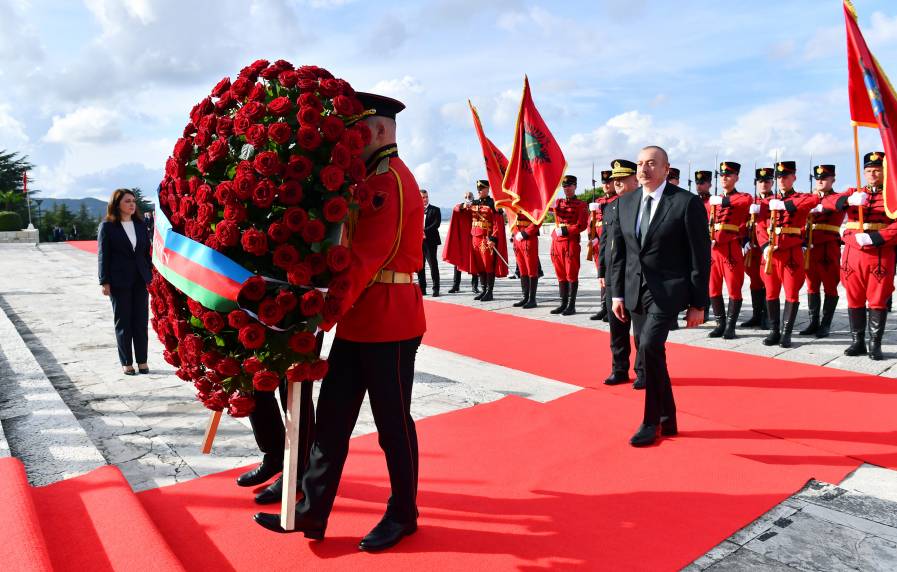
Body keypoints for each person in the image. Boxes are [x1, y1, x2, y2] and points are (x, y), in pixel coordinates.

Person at [255, 92, 426, 551]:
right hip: (360, 320)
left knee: (393, 426)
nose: (352, 140)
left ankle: (403, 513)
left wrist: (324, 314)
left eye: (358, 131)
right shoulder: (370, 177)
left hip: (389, 320)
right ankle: (310, 508)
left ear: (380, 131)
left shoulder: (389, 181)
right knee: (331, 423)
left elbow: (369, 256)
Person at [608, 146, 711, 446]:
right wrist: (616, 294)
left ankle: (651, 421)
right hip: (634, 290)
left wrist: (698, 303)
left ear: (666, 168)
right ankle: (669, 418)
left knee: (650, 346)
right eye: (640, 164)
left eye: (652, 163)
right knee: (650, 350)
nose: (644, 169)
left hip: (668, 291)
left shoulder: (685, 203)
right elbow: (621, 254)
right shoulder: (624, 203)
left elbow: (700, 256)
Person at [823, 151, 892, 360]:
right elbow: (828, 201)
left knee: (878, 299)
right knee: (854, 297)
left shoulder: (893, 195)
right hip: (853, 253)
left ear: (884, 172)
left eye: (876, 170)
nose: (872, 174)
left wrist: (877, 237)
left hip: (880, 252)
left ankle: (875, 344)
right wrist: (847, 200)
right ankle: (857, 341)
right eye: (868, 171)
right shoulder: (854, 191)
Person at [754, 161, 819, 348]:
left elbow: (813, 201)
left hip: (791, 252)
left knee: (791, 293)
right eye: (779, 177)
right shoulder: (767, 202)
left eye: (786, 176)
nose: (782, 180)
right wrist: (765, 245)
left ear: (794, 178)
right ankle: (774, 331)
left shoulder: (801, 197)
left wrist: (785, 205)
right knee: (771, 293)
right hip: (771, 253)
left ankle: (787, 333)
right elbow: (760, 225)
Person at [97, 188, 152, 375]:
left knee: (140, 321)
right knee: (123, 322)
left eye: (133, 201)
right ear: (117, 204)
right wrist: (104, 281)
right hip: (119, 281)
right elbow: (103, 256)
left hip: (140, 279)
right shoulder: (107, 227)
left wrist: (150, 274)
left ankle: (142, 361)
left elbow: (146, 253)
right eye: (127, 201)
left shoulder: (140, 225)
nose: (132, 204)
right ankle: (127, 362)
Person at [600, 159, 645, 389]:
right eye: (614, 179)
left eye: (622, 178)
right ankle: (619, 369)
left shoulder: (642, 204)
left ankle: (642, 371)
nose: (616, 182)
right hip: (612, 277)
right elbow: (604, 243)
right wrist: (601, 271)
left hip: (635, 276)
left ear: (634, 179)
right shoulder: (611, 206)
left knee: (639, 331)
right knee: (616, 329)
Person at [706, 162, 752, 339]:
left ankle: (731, 327)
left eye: (729, 175)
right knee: (713, 288)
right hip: (714, 248)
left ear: (736, 177)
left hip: (731, 247)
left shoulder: (742, 197)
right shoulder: (712, 201)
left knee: (734, 287)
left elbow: (744, 202)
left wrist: (723, 201)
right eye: (722, 175)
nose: (724, 178)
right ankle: (720, 324)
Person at [800, 165, 843, 338]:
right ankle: (813, 322)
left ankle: (825, 324)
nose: (820, 180)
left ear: (833, 179)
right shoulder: (809, 198)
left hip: (828, 247)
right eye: (817, 178)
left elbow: (836, 206)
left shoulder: (837, 198)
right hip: (810, 246)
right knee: (811, 285)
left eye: (824, 178)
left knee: (830, 285)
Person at [740, 168, 774, 329]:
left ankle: (768, 317)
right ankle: (756, 315)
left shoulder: (776, 200)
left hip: (768, 246)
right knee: (754, 281)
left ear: (772, 183)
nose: (763, 184)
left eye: (767, 181)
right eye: (760, 181)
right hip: (752, 247)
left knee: (768, 281)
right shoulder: (751, 202)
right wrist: (744, 240)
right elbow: (742, 223)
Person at [550, 175, 588, 316]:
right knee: (560, 275)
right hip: (557, 243)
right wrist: (548, 202)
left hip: (570, 242)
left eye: (569, 186)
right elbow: (543, 208)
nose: (566, 188)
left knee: (571, 274)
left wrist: (565, 230)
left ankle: (571, 305)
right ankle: (563, 303)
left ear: (575, 186)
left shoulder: (581, 204)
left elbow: (581, 225)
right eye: (564, 186)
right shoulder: (558, 202)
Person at [588, 170, 615, 321]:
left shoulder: (618, 200)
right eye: (604, 183)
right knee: (602, 277)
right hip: (599, 245)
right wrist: (592, 237)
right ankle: (603, 307)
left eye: (608, 182)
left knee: (611, 277)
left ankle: (612, 308)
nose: (606, 185)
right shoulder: (598, 202)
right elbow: (590, 223)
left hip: (611, 244)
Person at [444, 191, 479, 294]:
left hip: (473, 239)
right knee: (457, 262)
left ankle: (474, 286)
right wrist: (464, 205)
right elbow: (456, 209)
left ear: (473, 197)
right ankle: (456, 286)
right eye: (466, 197)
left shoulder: (477, 207)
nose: (468, 198)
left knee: (474, 263)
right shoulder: (461, 207)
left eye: (470, 196)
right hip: (462, 240)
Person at [510, 210, 541, 308]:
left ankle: (532, 299)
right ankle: (525, 297)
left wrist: (525, 233)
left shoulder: (534, 203)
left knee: (531, 269)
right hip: (517, 237)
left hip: (529, 237)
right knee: (522, 269)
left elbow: (539, 219)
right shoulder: (515, 201)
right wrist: (514, 233)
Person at [418, 189, 442, 297]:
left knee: (433, 265)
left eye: (426, 197)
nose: (425, 199)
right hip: (418, 241)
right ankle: (422, 289)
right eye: (423, 197)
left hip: (431, 241)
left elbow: (436, 224)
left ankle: (436, 289)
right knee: (420, 266)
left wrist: (424, 231)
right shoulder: (415, 210)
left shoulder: (435, 210)